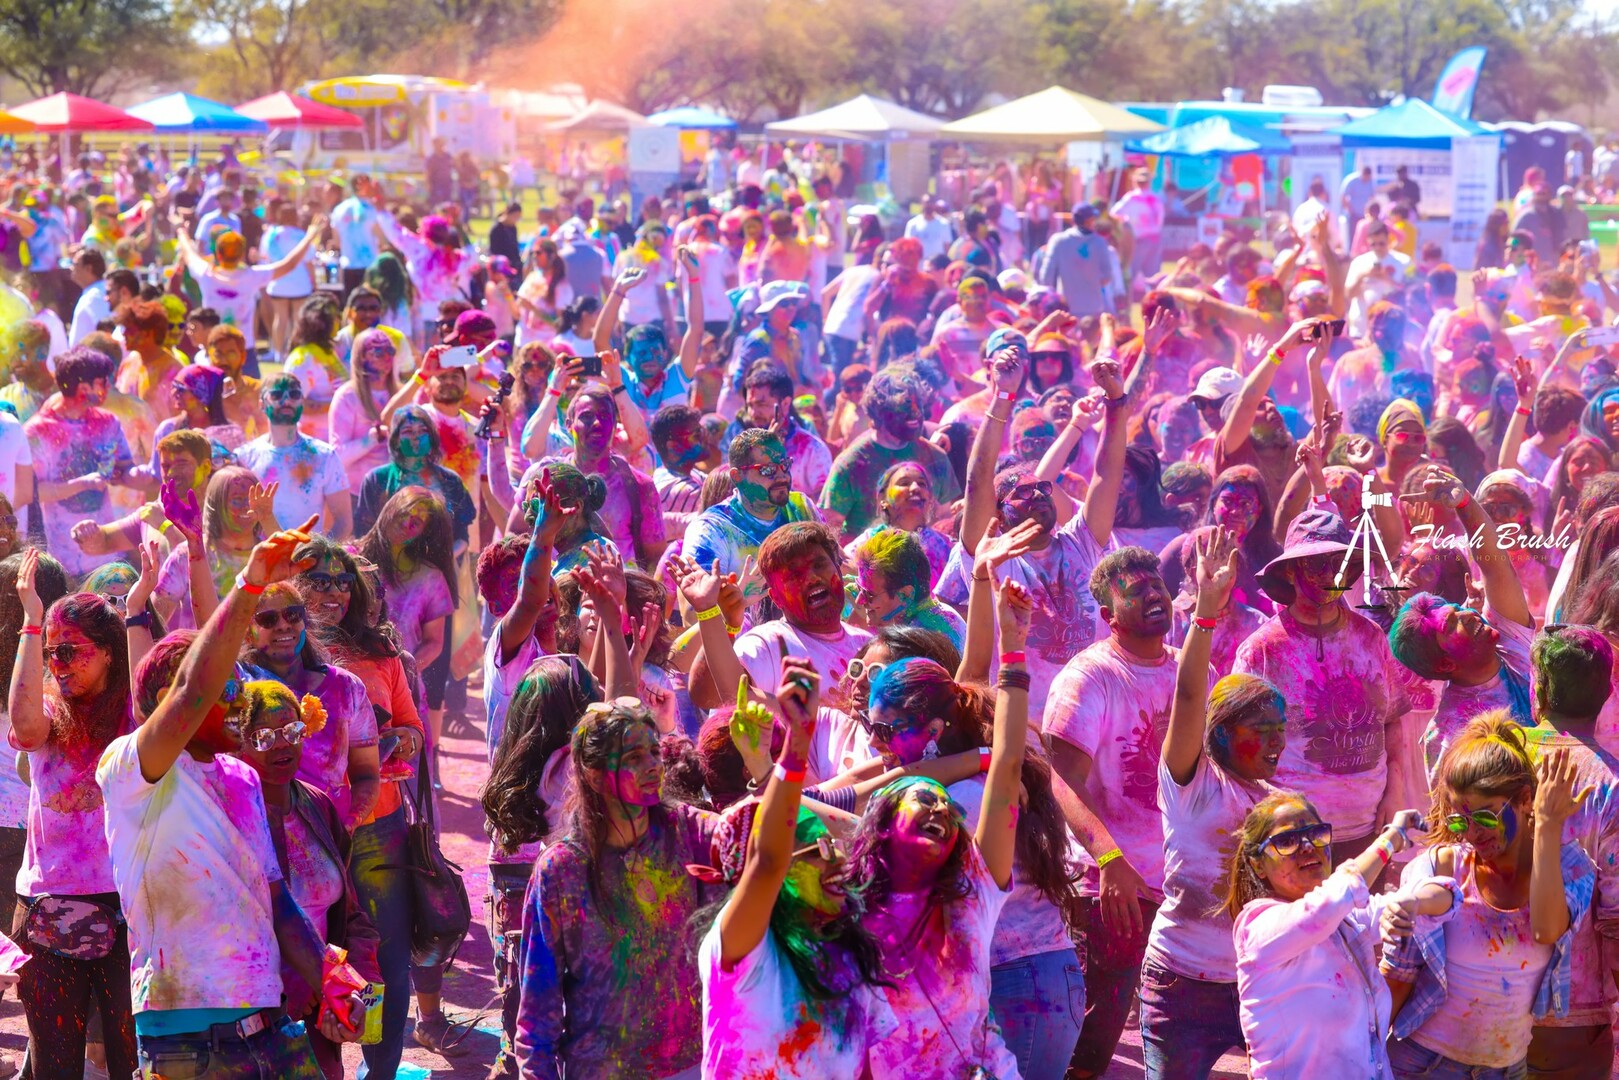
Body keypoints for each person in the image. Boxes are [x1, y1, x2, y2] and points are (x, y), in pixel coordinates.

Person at [98, 519, 361, 1077]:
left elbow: (274, 897)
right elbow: (194, 690)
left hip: (269, 1023)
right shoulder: (131, 772)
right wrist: (248, 583)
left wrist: (329, 980)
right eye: (229, 690)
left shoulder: (241, 779)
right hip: (187, 1037)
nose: (244, 699)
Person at [838, 580, 1033, 1079]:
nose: (939, 811)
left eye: (945, 807)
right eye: (922, 801)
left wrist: (1014, 650)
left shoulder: (976, 894)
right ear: (881, 831)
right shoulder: (854, 902)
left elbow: (1009, 765)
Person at [692, 654, 896, 1077]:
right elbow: (768, 861)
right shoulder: (741, 951)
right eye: (820, 849)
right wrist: (797, 742)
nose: (839, 859)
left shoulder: (847, 953)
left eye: (835, 846)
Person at [1138, 528, 1284, 1078]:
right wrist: (1205, 611)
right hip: (1180, 986)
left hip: (1256, 984)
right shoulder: (1192, 784)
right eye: (1260, 729)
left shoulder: (1283, 804)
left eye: (1280, 729)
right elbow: (1190, 695)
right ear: (1219, 735)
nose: (1276, 742)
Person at [514, 690, 715, 1080]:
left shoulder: (688, 832)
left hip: (691, 1064)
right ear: (594, 773)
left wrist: (772, 764)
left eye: (654, 752)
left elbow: (754, 834)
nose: (653, 766)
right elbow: (538, 1007)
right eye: (634, 758)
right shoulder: (561, 872)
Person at [1384, 721, 1594, 1078]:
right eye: (1459, 821)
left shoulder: (1573, 871)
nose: (1472, 833)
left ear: (1526, 799)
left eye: (1484, 816)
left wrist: (1545, 825)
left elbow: (1546, 930)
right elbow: (1397, 979)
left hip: (1505, 1069)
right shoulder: (1443, 868)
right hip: (1422, 1065)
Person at [1043, 544, 1180, 1076]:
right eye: (1135, 589)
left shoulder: (1193, 668)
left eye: (1158, 586)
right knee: (1096, 1034)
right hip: (1112, 883)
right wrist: (1109, 860)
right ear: (1108, 616)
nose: (1153, 594)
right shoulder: (1091, 677)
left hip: (1180, 879)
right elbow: (1059, 781)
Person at [292, 535, 424, 1074]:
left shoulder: (381, 654)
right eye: (317, 580)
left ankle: (381, 1069)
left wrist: (394, 741)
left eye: (342, 583)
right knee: (301, 956)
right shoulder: (271, 654)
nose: (332, 593)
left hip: (377, 828)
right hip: (298, 832)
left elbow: (413, 727)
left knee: (383, 959)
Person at [5, 567, 137, 1079]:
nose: (57, 664)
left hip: (128, 906)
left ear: (109, 652)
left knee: (136, 1062)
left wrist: (143, 605)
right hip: (48, 908)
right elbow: (23, 724)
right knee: (55, 1066)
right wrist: (32, 623)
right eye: (51, 653)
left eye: (70, 650)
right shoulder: (47, 711)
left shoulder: (133, 716)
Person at [1232, 506, 1413, 861]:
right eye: (1317, 564)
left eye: (1340, 564)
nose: (1331, 575)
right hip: (1294, 836)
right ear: (1289, 572)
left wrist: (1395, 792)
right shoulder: (1262, 651)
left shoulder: (1371, 637)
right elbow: (1238, 747)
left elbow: (1392, 720)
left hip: (1368, 830)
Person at [231, 678, 382, 1080]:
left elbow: (350, 919)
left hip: (320, 1014)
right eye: (263, 736)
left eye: (291, 731)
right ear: (238, 744)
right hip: (253, 1024)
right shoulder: (231, 817)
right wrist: (303, 989)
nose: (282, 745)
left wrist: (359, 995)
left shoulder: (318, 805)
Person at [1225, 790, 1431, 1078]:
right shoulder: (1258, 928)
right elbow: (1325, 907)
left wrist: (1437, 876)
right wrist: (1389, 841)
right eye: (1286, 841)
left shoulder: (1346, 920)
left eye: (1316, 834)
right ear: (1258, 865)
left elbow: (1422, 904)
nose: (1308, 847)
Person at [1387, 469, 1536, 776]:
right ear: (1443, 666)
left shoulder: (1510, 643)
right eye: (1452, 623)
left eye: (1457, 608)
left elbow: (1495, 567)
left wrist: (1466, 504)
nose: (1469, 615)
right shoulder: (1449, 734)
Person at [24, 345, 136, 580]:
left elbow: (125, 467)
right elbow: (34, 493)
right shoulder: (38, 431)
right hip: (63, 560)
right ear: (84, 387)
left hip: (107, 554)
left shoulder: (108, 422)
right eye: (103, 381)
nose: (109, 387)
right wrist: (82, 483)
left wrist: (140, 476)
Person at [681, 427, 819, 583]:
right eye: (767, 470)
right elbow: (693, 605)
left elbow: (835, 564)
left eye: (785, 465)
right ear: (737, 476)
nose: (782, 476)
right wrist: (739, 601)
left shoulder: (800, 506)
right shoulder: (712, 528)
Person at [234, 373, 353, 538]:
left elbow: (343, 520)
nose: (287, 401)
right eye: (276, 395)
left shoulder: (325, 456)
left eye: (294, 395)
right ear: (262, 404)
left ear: (302, 403)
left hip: (308, 557)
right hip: (259, 558)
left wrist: (322, 556)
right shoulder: (244, 457)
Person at [177, 223, 323, 353]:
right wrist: (309, 236)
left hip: (214, 351)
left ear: (218, 254)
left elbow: (189, 254)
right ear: (241, 255)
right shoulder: (251, 276)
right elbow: (289, 264)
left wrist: (182, 232)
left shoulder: (206, 274)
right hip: (243, 352)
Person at [851, 529, 967, 648]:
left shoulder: (911, 645)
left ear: (905, 595)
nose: (859, 600)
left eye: (869, 594)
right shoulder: (944, 612)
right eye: (859, 588)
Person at [328, 327, 400, 493]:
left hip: (396, 494)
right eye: (378, 353)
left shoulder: (401, 394)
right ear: (361, 358)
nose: (387, 358)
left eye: (390, 351)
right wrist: (370, 441)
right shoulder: (347, 397)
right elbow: (338, 457)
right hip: (358, 494)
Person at [260, 200, 317, 360]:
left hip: (278, 282)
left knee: (280, 318)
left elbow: (265, 257)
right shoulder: (301, 236)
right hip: (300, 284)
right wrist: (314, 282)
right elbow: (309, 261)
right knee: (298, 319)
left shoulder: (270, 235)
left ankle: (278, 353)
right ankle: (295, 352)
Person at [1036, 204, 1113, 316]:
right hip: (1093, 307)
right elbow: (1107, 276)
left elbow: (1046, 277)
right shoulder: (1099, 242)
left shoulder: (1058, 241)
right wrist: (1089, 283)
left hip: (1064, 308)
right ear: (1089, 220)